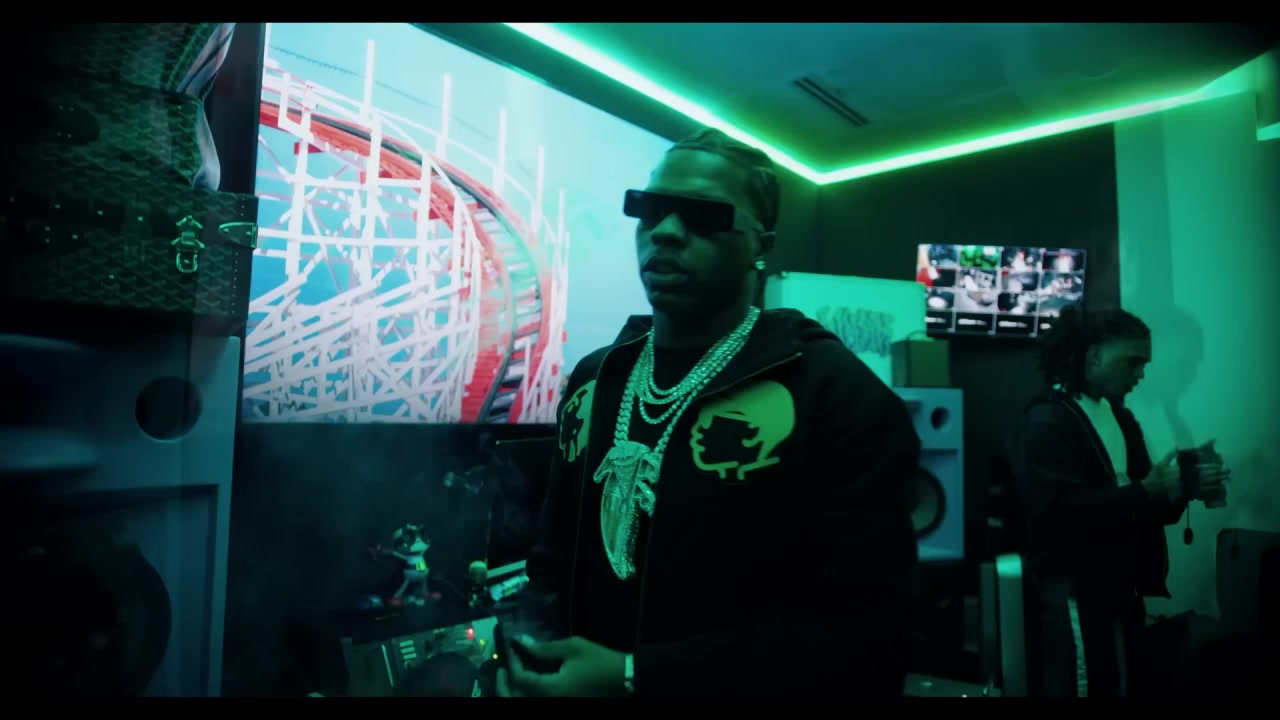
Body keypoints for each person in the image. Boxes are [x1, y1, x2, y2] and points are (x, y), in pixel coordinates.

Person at [496, 128, 922, 697]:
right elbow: (552, 561)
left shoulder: (835, 394)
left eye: (703, 216)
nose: (666, 232)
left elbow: (870, 637)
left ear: (761, 245)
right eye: (650, 210)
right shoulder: (596, 378)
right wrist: (528, 656)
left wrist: (636, 677)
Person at [1007, 304, 1230, 698]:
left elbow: (1147, 506)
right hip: (1078, 594)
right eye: (1133, 362)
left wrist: (1186, 487)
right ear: (1094, 357)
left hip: (1123, 592)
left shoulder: (1121, 420)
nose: (1141, 373)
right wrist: (1148, 490)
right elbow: (1056, 513)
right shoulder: (1046, 422)